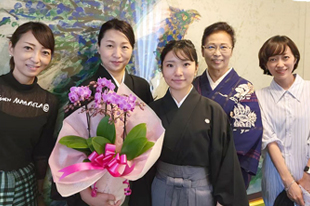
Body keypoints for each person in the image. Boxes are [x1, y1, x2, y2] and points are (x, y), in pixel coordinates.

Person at [130, 40, 249, 206]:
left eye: (186, 64)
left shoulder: (213, 112)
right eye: (170, 65)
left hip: (200, 192)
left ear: (196, 67)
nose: (178, 72)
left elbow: (226, 163)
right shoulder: (151, 111)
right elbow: (142, 165)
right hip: (161, 190)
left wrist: (224, 200)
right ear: (162, 69)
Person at [50, 18, 153, 206]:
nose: (117, 54)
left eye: (124, 47)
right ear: (98, 47)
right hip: (91, 189)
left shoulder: (141, 87)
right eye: (110, 46)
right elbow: (70, 151)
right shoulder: (85, 90)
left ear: (132, 49)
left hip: (130, 185)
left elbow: (149, 137)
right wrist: (86, 194)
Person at [192, 22, 262, 188]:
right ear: (202, 51)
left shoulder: (244, 90)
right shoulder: (191, 87)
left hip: (227, 173)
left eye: (224, 47)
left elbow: (245, 140)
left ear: (231, 50)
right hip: (191, 175)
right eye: (211, 47)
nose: (217, 53)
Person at [0, 22, 58, 206]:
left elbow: (41, 152)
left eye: (44, 52)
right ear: (11, 47)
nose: (36, 58)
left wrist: (40, 193)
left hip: (23, 184)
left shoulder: (49, 102)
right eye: (28, 48)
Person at [256, 35, 310, 206]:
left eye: (285, 57)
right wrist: (289, 183)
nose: (280, 64)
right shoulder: (259, 97)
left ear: (295, 58)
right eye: (273, 59)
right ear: (265, 64)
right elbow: (269, 140)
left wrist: (307, 176)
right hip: (275, 181)